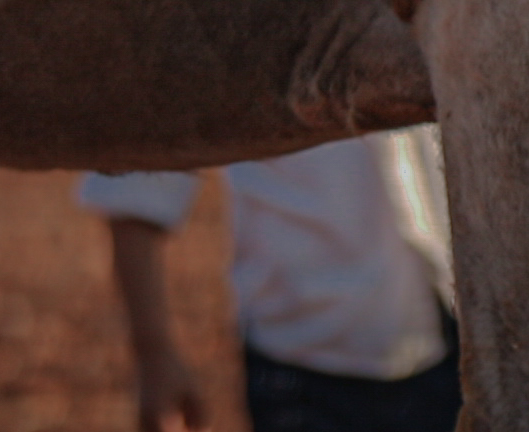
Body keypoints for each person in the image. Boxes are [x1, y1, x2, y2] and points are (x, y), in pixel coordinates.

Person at [80, 129, 459, 432]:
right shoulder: (222, 34)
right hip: (300, 375)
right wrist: (154, 354)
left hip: (442, 351)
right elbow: (134, 184)